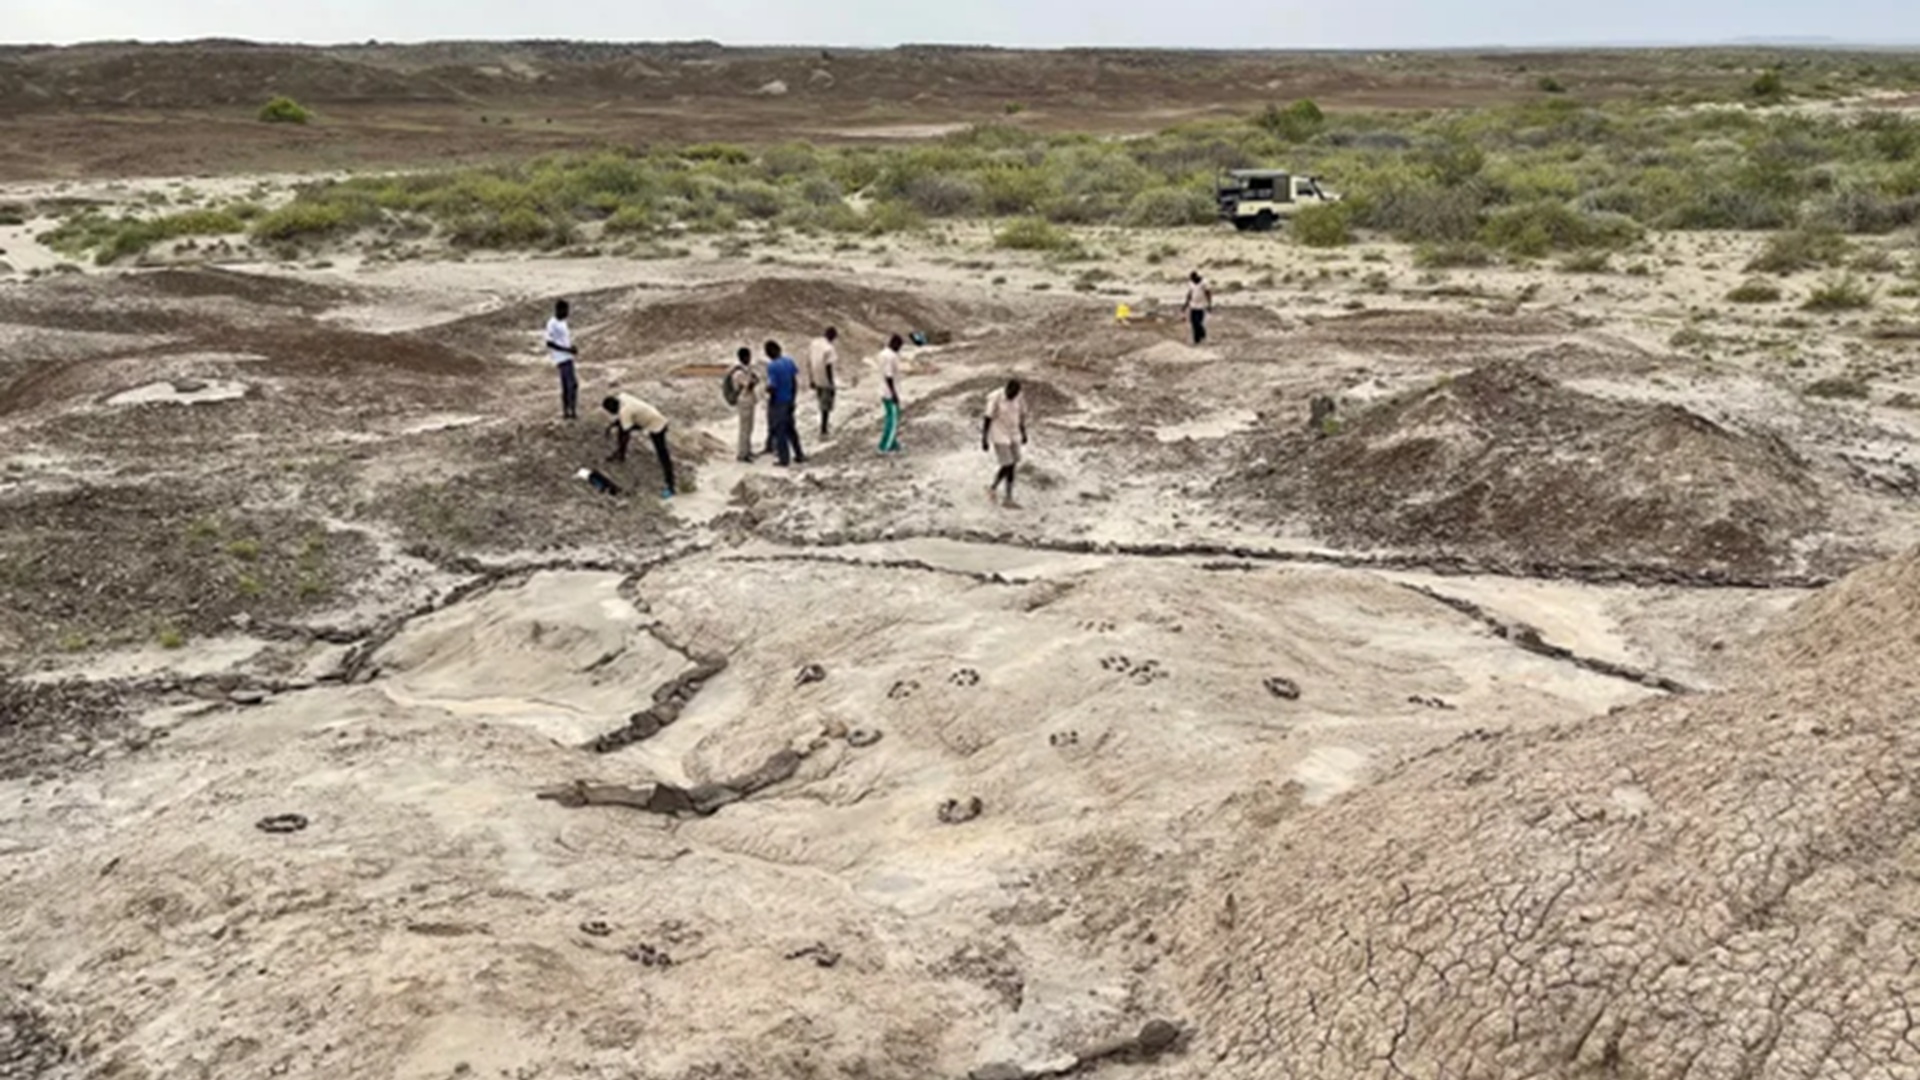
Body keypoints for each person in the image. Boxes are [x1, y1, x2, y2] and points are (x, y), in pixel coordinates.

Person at [602, 393, 676, 499]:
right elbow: (625, 422)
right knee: (622, 427)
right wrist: (613, 425)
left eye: (610, 412)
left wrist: (620, 444)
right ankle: (620, 455)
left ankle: (671, 485)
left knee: (662, 454)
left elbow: (625, 434)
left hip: (657, 425)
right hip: (651, 415)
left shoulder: (625, 411)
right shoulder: (622, 397)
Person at [982, 378, 1029, 508]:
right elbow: (987, 418)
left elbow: (1021, 415)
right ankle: (1007, 497)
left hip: (1013, 432)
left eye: (1015, 394)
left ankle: (993, 488)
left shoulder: (1019, 397)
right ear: (1006, 388)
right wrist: (984, 439)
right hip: (999, 433)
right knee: (1008, 464)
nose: (1012, 396)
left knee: (1013, 463)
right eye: (1010, 393)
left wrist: (1023, 432)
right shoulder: (995, 397)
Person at [764, 340, 806, 467]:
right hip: (789, 400)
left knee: (780, 431)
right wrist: (793, 399)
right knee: (791, 429)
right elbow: (794, 382)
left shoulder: (772, 366)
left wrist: (769, 397)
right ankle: (799, 454)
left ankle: (784, 459)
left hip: (778, 402)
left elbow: (773, 387)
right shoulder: (789, 361)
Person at [546, 299, 579, 419]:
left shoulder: (563, 322)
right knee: (571, 385)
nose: (567, 313)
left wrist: (571, 348)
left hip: (567, 356)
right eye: (566, 310)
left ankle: (570, 411)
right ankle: (569, 411)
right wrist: (567, 350)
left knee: (569, 385)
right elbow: (549, 343)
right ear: (559, 310)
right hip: (561, 358)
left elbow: (563, 340)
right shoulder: (552, 323)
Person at [726, 347, 759, 463]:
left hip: (748, 400)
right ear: (744, 357)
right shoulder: (739, 373)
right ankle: (742, 454)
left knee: (749, 427)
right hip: (744, 400)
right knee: (745, 429)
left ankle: (747, 450)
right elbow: (750, 384)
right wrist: (753, 381)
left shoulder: (745, 370)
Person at [808, 327, 839, 439]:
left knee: (821, 403)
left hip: (816, 378)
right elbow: (828, 367)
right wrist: (831, 384)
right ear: (832, 336)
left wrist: (811, 378)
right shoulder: (829, 348)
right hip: (825, 380)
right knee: (826, 406)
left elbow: (809, 360)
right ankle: (823, 430)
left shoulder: (814, 343)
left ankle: (823, 427)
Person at [877, 334, 904, 455]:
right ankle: (885, 447)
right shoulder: (890, 356)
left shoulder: (883, 353)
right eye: (899, 346)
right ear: (895, 344)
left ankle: (892, 442)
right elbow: (889, 376)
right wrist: (894, 394)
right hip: (889, 393)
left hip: (884, 390)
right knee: (892, 420)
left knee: (891, 417)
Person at [1183, 271, 1212, 346]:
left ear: (1196, 277)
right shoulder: (1191, 283)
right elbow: (1189, 294)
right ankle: (1196, 340)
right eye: (1191, 279)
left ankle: (1202, 333)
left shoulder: (1204, 283)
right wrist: (1185, 304)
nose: (1192, 280)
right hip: (1193, 305)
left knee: (1198, 322)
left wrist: (1209, 304)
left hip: (1201, 306)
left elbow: (1208, 293)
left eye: (1193, 279)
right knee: (1193, 323)